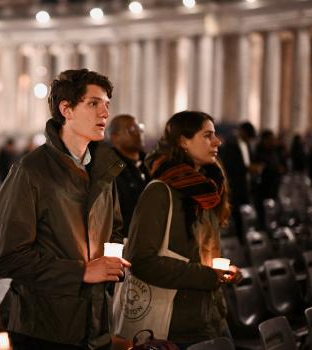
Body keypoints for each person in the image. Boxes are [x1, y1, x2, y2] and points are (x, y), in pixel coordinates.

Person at [0, 69, 130, 350]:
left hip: (95, 324)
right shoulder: (30, 170)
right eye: (93, 103)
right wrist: (82, 272)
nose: (104, 112)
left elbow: (114, 229)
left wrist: (110, 262)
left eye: (106, 104)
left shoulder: (104, 167)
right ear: (66, 109)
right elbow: (9, 258)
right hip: (44, 329)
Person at [125, 111, 241, 349]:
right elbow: (142, 260)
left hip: (211, 315)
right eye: (208, 135)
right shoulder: (159, 192)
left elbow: (202, 251)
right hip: (175, 323)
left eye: (215, 135)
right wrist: (207, 276)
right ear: (183, 141)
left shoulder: (206, 190)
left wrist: (224, 271)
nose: (217, 141)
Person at [108, 114, 149, 236]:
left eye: (139, 128)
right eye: (131, 130)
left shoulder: (151, 162)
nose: (138, 133)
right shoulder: (110, 167)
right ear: (114, 137)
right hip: (126, 236)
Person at [220, 121, 259, 238]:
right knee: (236, 215)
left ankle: (243, 238)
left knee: (245, 215)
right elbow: (229, 165)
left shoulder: (246, 144)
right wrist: (247, 169)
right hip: (235, 186)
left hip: (246, 186)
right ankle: (237, 239)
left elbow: (248, 160)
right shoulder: (230, 144)